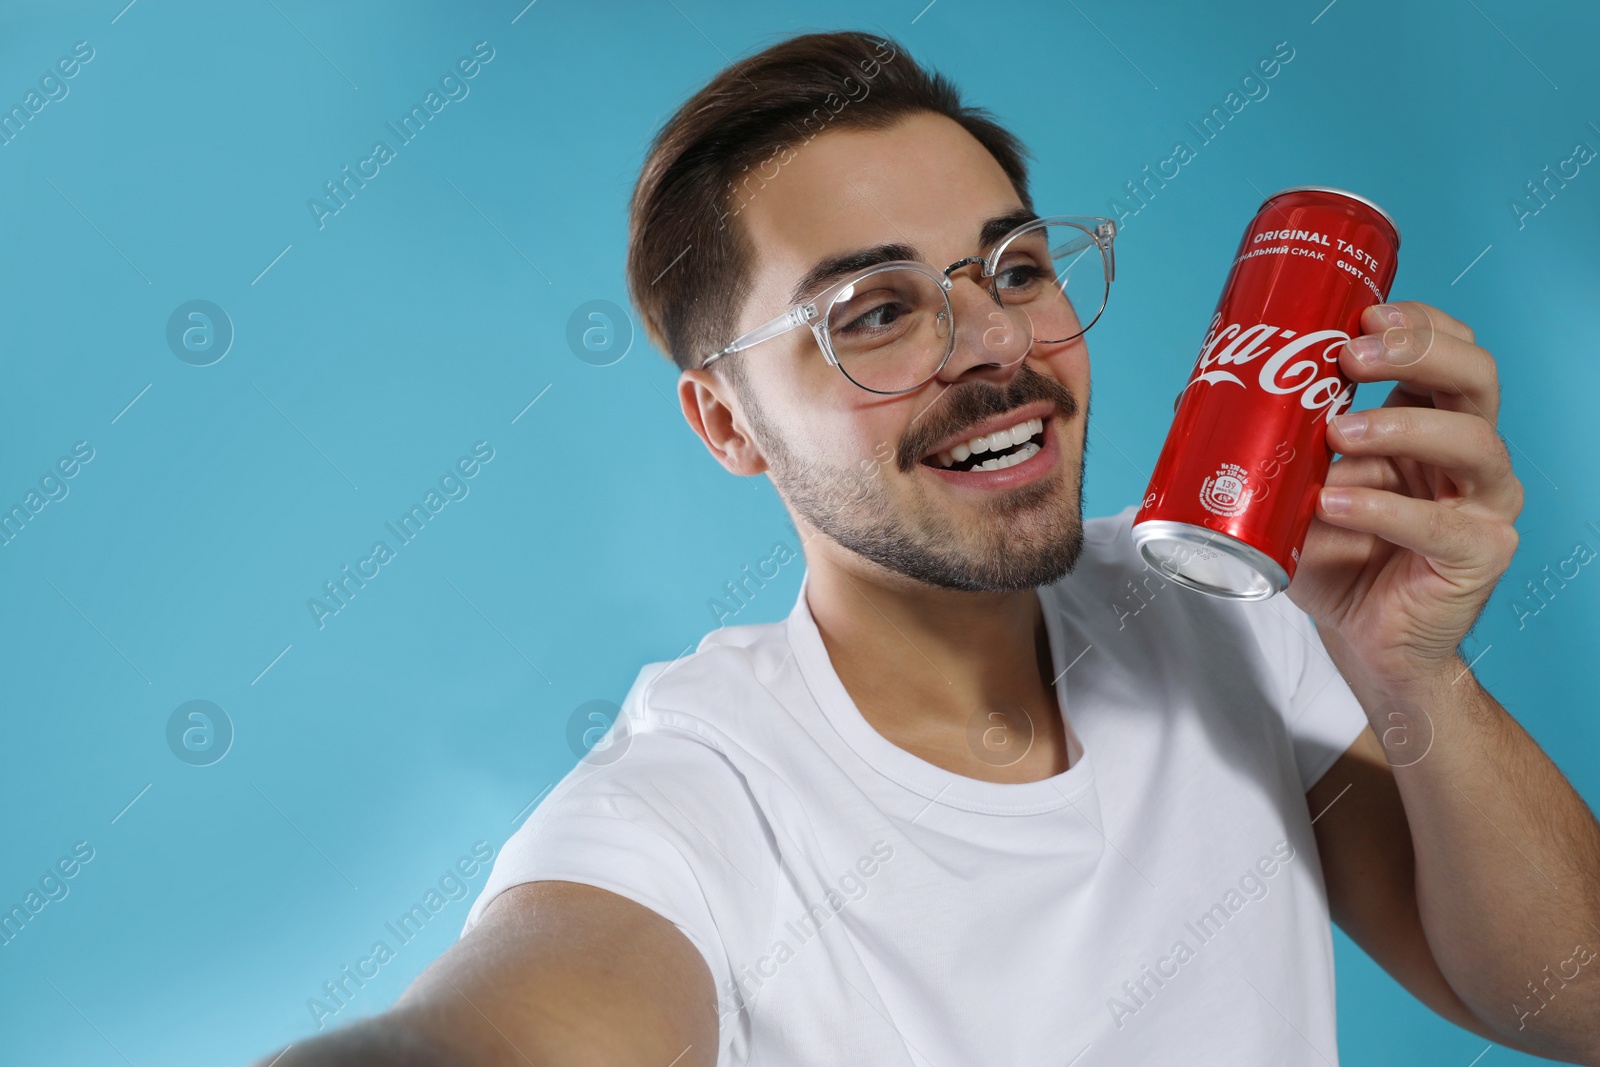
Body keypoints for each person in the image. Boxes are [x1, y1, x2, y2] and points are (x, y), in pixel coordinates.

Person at [258, 30, 1600, 1067]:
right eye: (877, 312)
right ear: (726, 420)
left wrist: (1417, 671)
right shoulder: (690, 804)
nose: (1001, 348)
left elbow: (1571, 1004)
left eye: (1015, 269)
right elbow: (497, 1029)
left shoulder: (1229, 611)